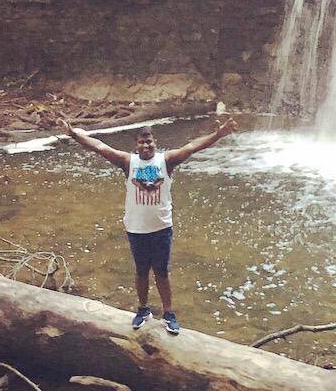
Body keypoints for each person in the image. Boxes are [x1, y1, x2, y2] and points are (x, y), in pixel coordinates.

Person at [59, 117, 237, 335]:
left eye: (149, 141)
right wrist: (74, 134)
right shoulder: (128, 162)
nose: (146, 146)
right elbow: (99, 147)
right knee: (141, 271)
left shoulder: (166, 161)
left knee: (162, 272)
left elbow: (191, 147)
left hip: (161, 228)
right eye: (142, 142)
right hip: (136, 228)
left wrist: (218, 134)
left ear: (155, 142)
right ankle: (143, 310)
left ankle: (169, 313)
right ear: (136, 145)